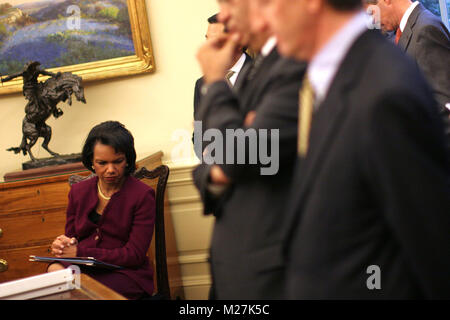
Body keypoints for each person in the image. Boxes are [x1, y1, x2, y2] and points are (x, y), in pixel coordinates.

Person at [264, 0, 450, 298]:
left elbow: (431, 250)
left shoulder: (384, 91)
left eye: (268, 3)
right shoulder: (330, 78)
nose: (265, 19)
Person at [193, 0, 306, 299]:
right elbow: (207, 145)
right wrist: (215, 170)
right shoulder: (263, 68)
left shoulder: (293, 66)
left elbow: (242, 156)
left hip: (270, 273)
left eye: (230, 4)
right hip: (234, 264)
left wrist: (216, 82)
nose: (226, 16)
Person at [47, 121, 156, 300]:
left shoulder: (143, 195)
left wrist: (80, 253)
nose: (110, 170)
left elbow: (134, 255)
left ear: (128, 159)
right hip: (83, 269)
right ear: (92, 161)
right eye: (102, 163)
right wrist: (63, 246)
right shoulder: (78, 192)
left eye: (118, 161)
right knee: (54, 271)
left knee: (83, 290)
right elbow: (72, 238)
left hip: (124, 273)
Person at [193, 13, 252, 159]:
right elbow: (199, 135)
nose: (206, 48)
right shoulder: (202, 84)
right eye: (206, 40)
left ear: (238, 42)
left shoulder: (261, 74)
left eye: (214, 41)